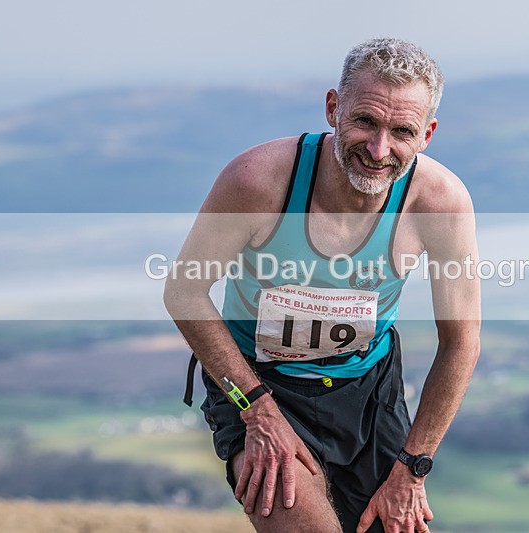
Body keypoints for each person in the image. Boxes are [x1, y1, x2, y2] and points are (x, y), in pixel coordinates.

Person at [164, 38, 481, 533]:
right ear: (333, 108)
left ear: (427, 134)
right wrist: (256, 410)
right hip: (258, 384)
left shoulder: (440, 203)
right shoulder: (257, 181)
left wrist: (414, 468)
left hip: (368, 394)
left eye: (402, 131)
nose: (379, 150)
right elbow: (183, 292)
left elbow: (461, 342)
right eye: (365, 122)